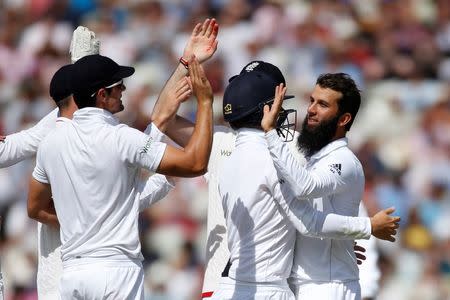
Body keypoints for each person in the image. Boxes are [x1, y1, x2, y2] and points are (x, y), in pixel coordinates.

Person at [27, 52, 213, 299]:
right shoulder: (121, 137)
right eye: (117, 86)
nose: (124, 88)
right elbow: (196, 163)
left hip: (72, 275)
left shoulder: (51, 144)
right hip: (116, 272)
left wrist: (85, 221)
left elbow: (35, 208)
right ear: (102, 95)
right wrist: (205, 104)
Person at [260, 73, 393, 300]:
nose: (311, 109)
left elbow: (304, 189)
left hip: (327, 287)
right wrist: (345, 240)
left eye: (322, 104)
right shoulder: (318, 158)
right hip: (310, 284)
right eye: (312, 100)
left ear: (343, 119)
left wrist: (271, 133)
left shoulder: (343, 160)